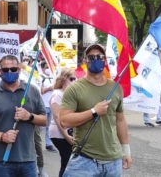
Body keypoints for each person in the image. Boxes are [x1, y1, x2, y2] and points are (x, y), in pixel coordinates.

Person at [60, 44, 132, 177]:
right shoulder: (74, 89)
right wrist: (93, 111)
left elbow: (120, 120)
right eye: (91, 57)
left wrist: (126, 151)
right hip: (85, 159)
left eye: (99, 57)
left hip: (113, 161)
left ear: (105, 60)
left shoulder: (115, 88)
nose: (95, 59)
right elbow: (64, 121)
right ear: (85, 60)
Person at [0, 55, 47, 177]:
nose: (10, 72)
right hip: (0, 160)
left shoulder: (32, 91)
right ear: (0, 71)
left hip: (28, 159)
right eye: (5, 70)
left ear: (19, 70)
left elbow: (44, 120)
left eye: (13, 69)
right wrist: (2, 136)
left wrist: (29, 116)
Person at [49, 68, 76, 177]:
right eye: (71, 79)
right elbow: (57, 117)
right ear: (64, 79)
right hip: (59, 133)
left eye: (75, 79)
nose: (74, 81)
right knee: (67, 162)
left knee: (69, 162)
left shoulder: (67, 94)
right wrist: (66, 136)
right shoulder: (57, 94)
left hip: (67, 131)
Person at [40, 61, 56, 152]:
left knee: (49, 126)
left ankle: (48, 144)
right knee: (40, 126)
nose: (48, 69)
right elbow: (40, 90)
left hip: (51, 105)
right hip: (43, 105)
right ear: (42, 68)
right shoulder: (40, 77)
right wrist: (49, 88)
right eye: (46, 67)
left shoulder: (53, 77)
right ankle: (36, 143)